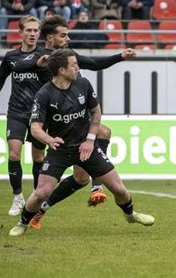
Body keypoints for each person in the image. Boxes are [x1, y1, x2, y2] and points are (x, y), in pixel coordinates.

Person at [8, 49, 154, 236]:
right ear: (61, 70)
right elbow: (35, 127)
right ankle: (23, 223)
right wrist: (49, 140)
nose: (77, 68)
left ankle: (131, 215)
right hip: (59, 149)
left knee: (119, 190)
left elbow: (96, 112)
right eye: (73, 65)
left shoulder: (83, 84)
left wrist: (90, 140)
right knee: (41, 193)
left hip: (86, 147)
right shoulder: (44, 94)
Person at [0, 15, 48, 216]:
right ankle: (18, 196)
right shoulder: (11, 56)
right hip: (16, 112)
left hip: (39, 115)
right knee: (14, 153)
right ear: (20, 33)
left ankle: (35, 198)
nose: (32, 34)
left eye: (35, 30)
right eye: (28, 30)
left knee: (38, 156)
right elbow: (1, 78)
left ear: (39, 33)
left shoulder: (45, 56)